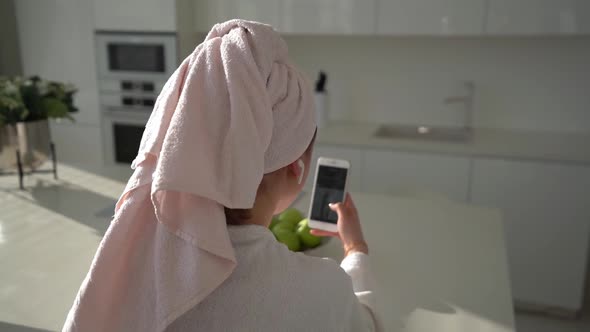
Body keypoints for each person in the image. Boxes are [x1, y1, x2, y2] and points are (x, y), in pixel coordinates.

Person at [63, 19, 381, 332]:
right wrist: (356, 250)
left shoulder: (125, 269)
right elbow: (368, 324)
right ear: (295, 167)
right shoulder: (322, 293)